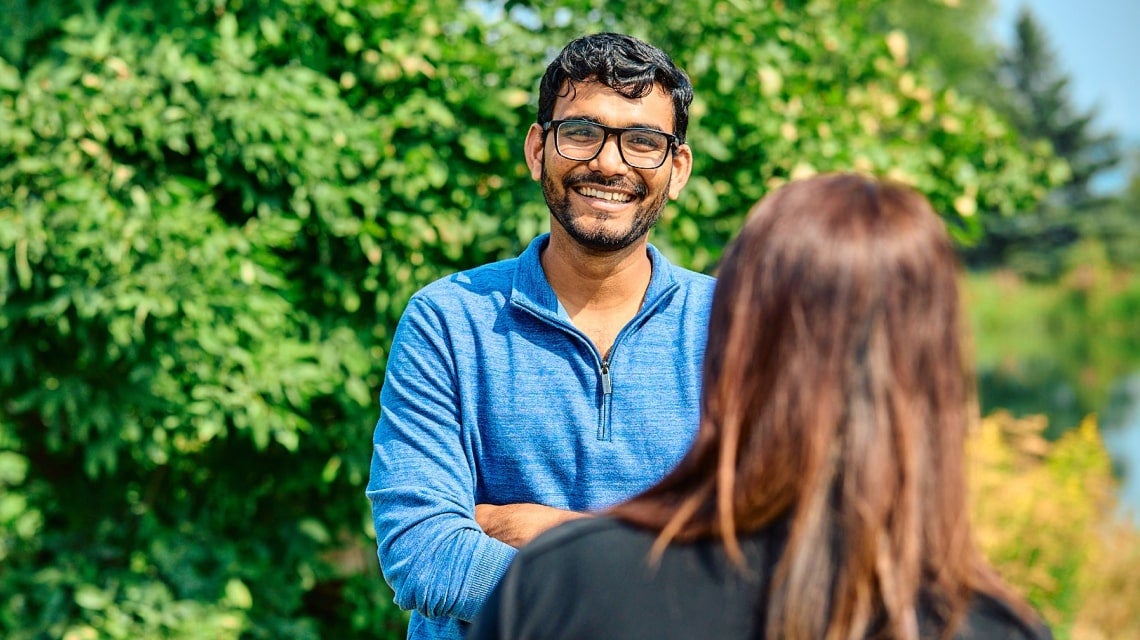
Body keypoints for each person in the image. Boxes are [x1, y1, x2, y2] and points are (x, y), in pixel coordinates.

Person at [469, 173, 1053, 640]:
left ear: (731, 340)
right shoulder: (996, 626)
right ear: (942, 374)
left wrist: (555, 532)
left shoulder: (563, 585)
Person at [366, 33, 715, 640]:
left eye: (642, 142)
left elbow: (767, 555)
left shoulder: (734, 327)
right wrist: (656, 573)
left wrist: (541, 531)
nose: (609, 163)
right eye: (581, 132)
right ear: (537, 149)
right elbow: (423, 553)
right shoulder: (448, 320)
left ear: (676, 169)